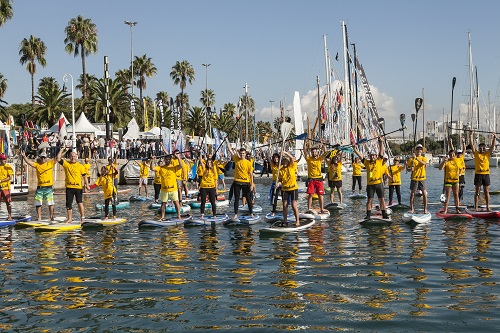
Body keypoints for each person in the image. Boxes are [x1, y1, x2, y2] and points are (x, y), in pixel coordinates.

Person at [353, 140, 390, 220]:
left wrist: (381, 142)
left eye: (374, 155)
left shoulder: (379, 161)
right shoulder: (367, 162)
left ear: (376, 156)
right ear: (369, 156)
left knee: (382, 200)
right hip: (370, 185)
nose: (372, 157)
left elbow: (381, 150)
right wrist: (355, 149)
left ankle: (384, 214)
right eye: (371, 155)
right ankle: (368, 215)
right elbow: (360, 156)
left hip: (379, 183)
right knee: (370, 200)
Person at [56, 147, 90, 223]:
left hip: (78, 187)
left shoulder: (80, 166)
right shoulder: (66, 164)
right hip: (69, 187)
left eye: (74, 156)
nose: (73, 158)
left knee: (79, 202)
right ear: (69, 157)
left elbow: (84, 176)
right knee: (68, 204)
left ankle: (82, 218)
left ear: (76, 157)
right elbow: (58, 158)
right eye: (71, 156)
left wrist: (87, 185)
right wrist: (62, 150)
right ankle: (70, 218)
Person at [21, 150, 56, 221]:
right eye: (42, 157)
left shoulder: (50, 163)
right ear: (40, 158)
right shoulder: (37, 165)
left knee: (50, 203)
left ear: (46, 158)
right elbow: (29, 162)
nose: (43, 159)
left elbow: (58, 158)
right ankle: (39, 217)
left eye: (44, 158)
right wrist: (24, 156)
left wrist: (62, 150)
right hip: (40, 187)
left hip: (48, 187)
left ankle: (51, 217)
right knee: (38, 203)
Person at [469, 132, 496, 211]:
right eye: (480, 148)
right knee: (477, 191)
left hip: (486, 174)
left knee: (486, 191)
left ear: (485, 148)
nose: (481, 149)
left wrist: (494, 137)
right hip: (478, 174)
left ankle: (488, 207)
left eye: (483, 148)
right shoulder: (476, 154)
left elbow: (492, 146)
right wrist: (470, 135)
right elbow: (471, 145)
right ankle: (476, 207)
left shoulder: (487, 154)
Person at [227, 144, 255, 220]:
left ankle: (251, 213)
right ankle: (236, 214)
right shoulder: (237, 159)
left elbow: (251, 174)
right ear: (239, 154)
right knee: (236, 199)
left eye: (243, 154)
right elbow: (230, 151)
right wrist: (227, 142)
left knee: (248, 199)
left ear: (245, 154)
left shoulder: (248, 163)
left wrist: (252, 184)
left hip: (246, 183)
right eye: (241, 153)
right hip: (237, 182)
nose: (242, 155)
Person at [158, 152, 184, 220]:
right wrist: (152, 160)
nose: (168, 160)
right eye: (166, 159)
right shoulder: (161, 168)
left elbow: (181, 165)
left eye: (169, 159)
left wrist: (178, 157)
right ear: (164, 159)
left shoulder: (174, 167)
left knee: (176, 202)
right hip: (164, 190)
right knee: (163, 203)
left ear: (171, 160)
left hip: (173, 189)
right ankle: (162, 216)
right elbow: (152, 168)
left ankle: (179, 216)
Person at [277, 151, 300, 226]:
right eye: (283, 161)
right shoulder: (280, 170)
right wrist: (278, 183)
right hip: (285, 189)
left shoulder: (292, 166)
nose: (285, 162)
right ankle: (285, 221)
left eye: (286, 161)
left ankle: (297, 221)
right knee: (284, 205)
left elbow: (292, 158)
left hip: (293, 188)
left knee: (294, 205)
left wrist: (285, 153)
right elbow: (280, 180)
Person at [303, 143, 327, 213]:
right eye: (312, 152)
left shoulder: (319, 159)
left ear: (317, 152)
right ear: (311, 153)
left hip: (319, 179)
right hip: (311, 179)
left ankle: (322, 209)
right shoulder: (308, 159)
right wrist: (305, 143)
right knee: (310, 195)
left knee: (320, 195)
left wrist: (323, 145)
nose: (314, 153)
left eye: (315, 152)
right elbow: (305, 150)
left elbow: (325, 153)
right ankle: (309, 209)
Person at [406, 144, 429, 214]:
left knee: (424, 193)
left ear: (422, 151)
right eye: (418, 149)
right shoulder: (411, 159)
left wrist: (416, 159)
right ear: (415, 150)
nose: (419, 150)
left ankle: (425, 209)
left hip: (422, 178)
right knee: (412, 194)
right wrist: (410, 169)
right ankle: (412, 209)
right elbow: (408, 169)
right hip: (414, 178)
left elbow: (423, 164)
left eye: (420, 149)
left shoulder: (423, 158)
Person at [439, 149, 463, 214]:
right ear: (449, 155)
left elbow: (461, 168)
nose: (452, 156)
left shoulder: (457, 161)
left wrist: (460, 173)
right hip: (448, 181)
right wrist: (444, 161)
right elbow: (440, 168)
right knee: (448, 195)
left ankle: (457, 209)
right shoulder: (447, 161)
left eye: (453, 154)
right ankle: (446, 209)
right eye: (450, 154)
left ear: (454, 155)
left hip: (456, 181)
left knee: (456, 195)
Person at [0, 153, 14, 220]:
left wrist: (1, 181)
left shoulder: (8, 167)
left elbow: (10, 177)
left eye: (5, 159)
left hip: (6, 187)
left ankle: (9, 216)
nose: (5, 160)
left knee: (8, 202)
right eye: (3, 159)